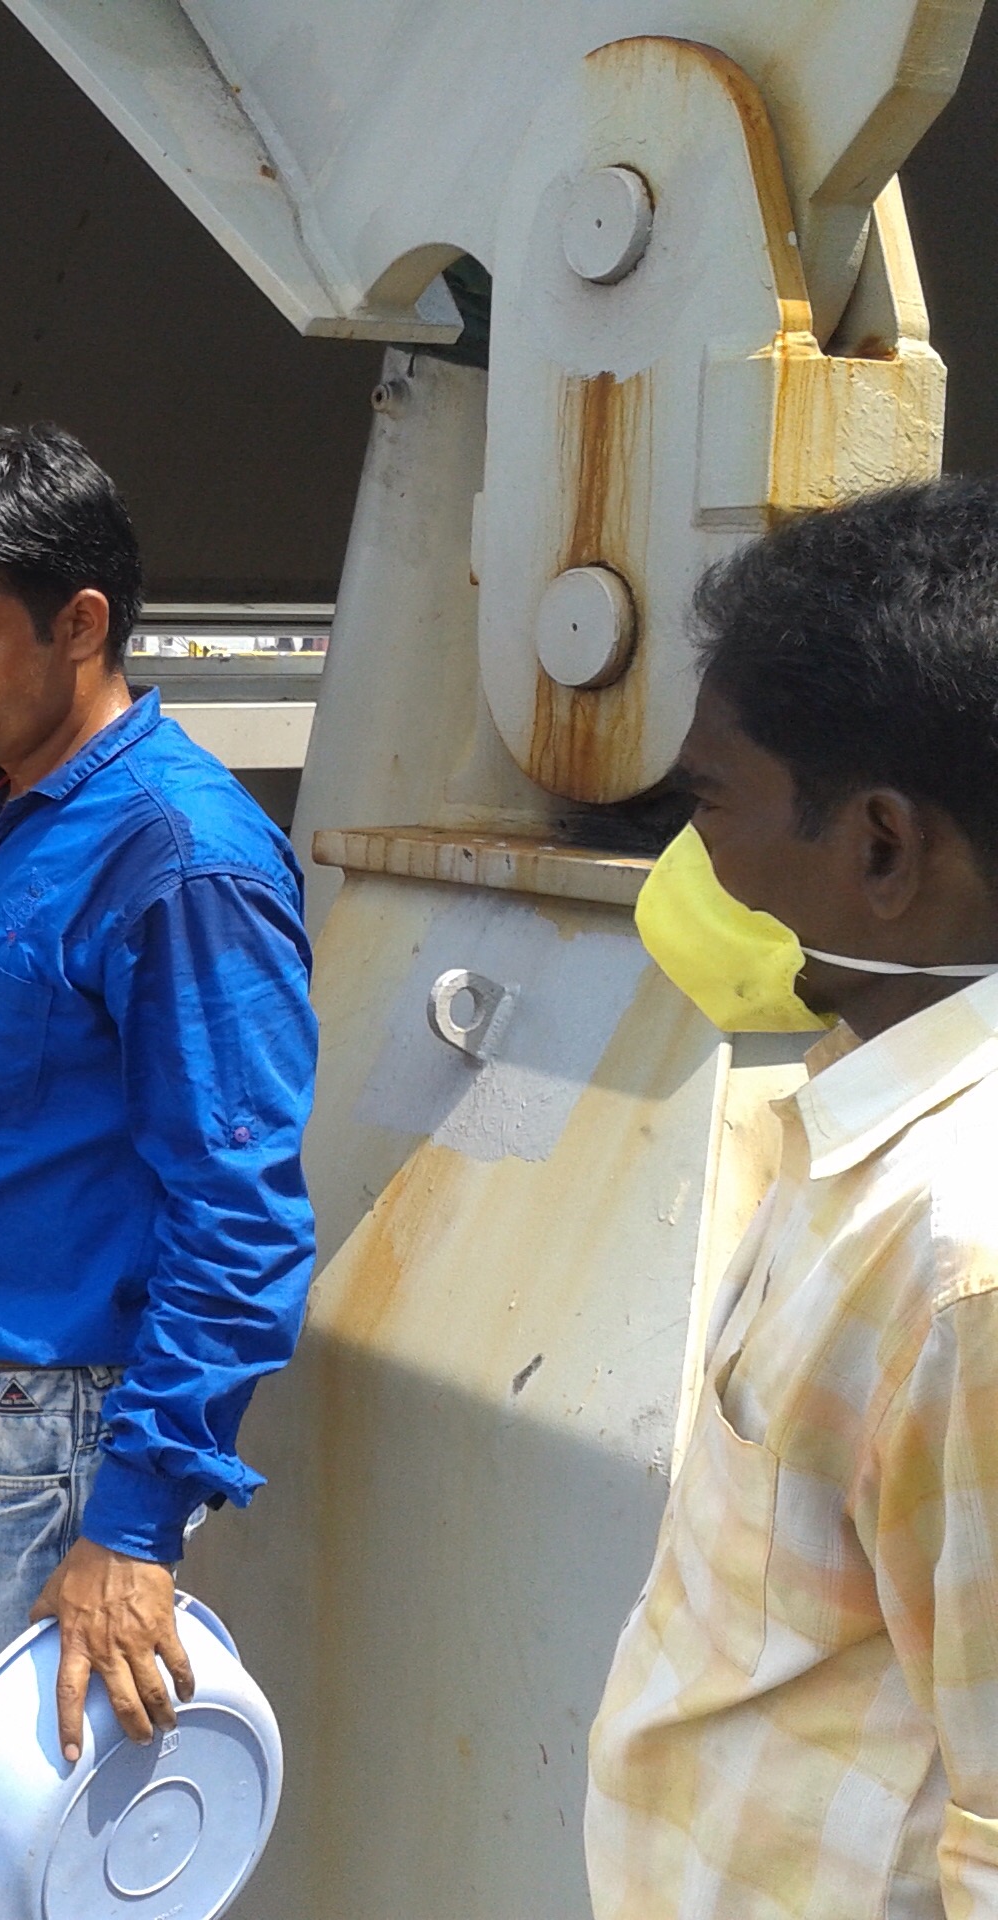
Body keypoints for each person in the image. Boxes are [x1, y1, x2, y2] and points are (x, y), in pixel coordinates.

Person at [0, 425, 318, 1920]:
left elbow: (240, 1212)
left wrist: (134, 1528)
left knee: (40, 1857)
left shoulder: (179, 858)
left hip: (51, 1445)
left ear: (80, 623)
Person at [590, 475, 998, 1918]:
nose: (690, 858)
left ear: (882, 847)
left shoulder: (964, 1264)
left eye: (711, 802)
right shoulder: (866, 1106)